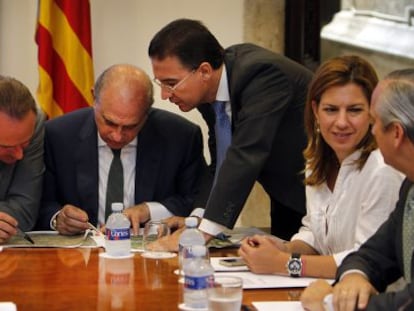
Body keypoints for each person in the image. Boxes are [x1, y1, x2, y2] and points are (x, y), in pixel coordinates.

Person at [148, 18, 313, 242]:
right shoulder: (209, 92)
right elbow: (221, 162)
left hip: (319, 196)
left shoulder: (262, 75)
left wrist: (202, 234)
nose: (165, 95)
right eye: (161, 84)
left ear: (204, 71)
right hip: (285, 195)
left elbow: (245, 154)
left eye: (171, 83)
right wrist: (197, 218)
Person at [238, 55, 403, 279]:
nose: (342, 122)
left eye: (354, 110)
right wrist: (282, 249)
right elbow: (315, 233)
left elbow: (366, 260)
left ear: (372, 113)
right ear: (315, 110)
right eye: (331, 110)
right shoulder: (316, 161)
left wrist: (285, 263)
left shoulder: (382, 169)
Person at [35, 64, 205, 235]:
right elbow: (40, 202)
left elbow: (196, 199)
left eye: (131, 126)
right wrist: (58, 218)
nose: (117, 136)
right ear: (94, 98)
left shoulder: (180, 137)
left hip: (151, 252)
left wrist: (150, 210)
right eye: (109, 122)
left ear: (147, 112)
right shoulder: (58, 135)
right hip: (80, 254)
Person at [300, 69, 414, 311]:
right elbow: (374, 253)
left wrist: (328, 303)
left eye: (375, 122)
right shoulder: (410, 187)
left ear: (396, 133)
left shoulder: (384, 170)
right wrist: (355, 275)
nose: (372, 132)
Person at [0, 76, 45, 244]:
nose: (19, 155)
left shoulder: (34, 124)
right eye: (7, 147)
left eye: (24, 144)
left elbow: (25, 210)